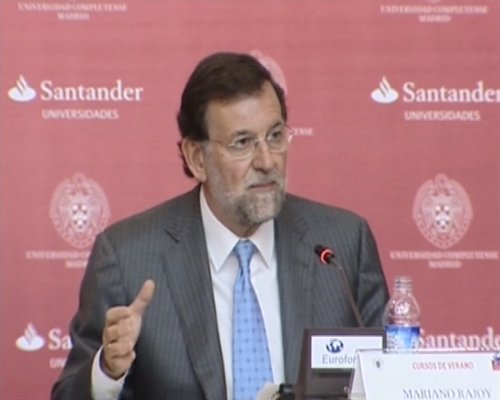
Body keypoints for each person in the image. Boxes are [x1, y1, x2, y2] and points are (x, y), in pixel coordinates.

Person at [51, 52, 389, 400]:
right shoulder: (127, 258)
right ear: (197, 158)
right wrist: (108, 372)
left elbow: (390, 381)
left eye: (275, 136)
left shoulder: (343, 245)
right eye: (242, 143)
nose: (267, 161)